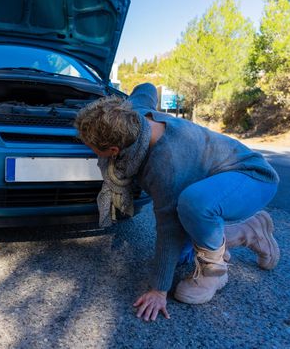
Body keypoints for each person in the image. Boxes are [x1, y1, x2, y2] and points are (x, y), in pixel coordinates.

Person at [74, 83, 280, 322]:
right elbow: (147, 88)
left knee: (193, 204)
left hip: (252, 177)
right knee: (185, 248)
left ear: (113, 149)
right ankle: (250, 231)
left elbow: (169, 230)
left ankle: (214, 270)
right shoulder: (133, 113)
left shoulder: (165, 166)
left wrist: (158, 289)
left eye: (92, 149)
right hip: (215, 180)